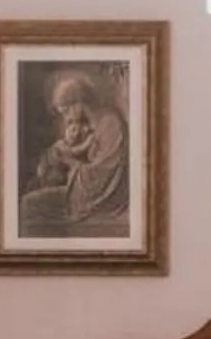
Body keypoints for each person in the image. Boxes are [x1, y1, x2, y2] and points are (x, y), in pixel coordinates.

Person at [20, 68, 130, 236]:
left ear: (79, 103)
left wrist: (68, 160)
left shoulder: (110, 124)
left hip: (101, 204)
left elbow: (102, 178)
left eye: (66, 110)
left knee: (30, 206)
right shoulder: (89, 127)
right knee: (28, 203)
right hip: (80, 196)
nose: (67, 118)